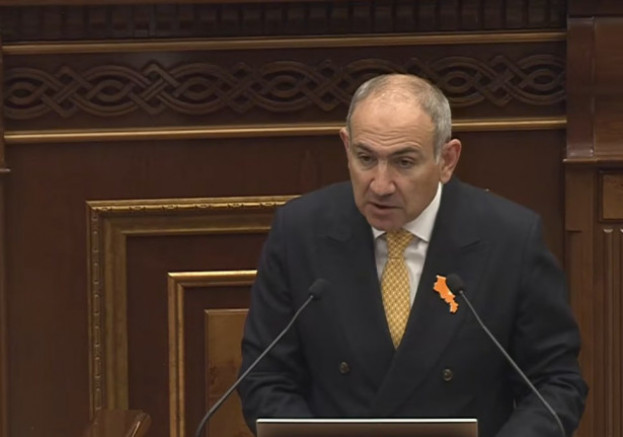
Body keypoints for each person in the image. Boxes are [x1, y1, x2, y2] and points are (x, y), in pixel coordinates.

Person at [238, 74, 587, 437]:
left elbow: (555, 383)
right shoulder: (299, 231)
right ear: (346, 146)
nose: (380, 185)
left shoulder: (509, 239)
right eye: (365, 158)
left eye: (403, 162)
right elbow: (265, 377)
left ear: (447, 160)